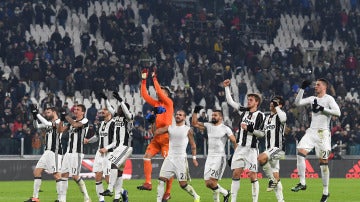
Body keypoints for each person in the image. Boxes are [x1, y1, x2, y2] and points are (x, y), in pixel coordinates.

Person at [291, 79, 341, 202]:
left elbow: (338, 112)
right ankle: (302, 183)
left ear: (324, 87)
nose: (315, 86)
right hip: (312, 131)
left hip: (323, 134)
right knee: (300, 153)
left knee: (323, 163)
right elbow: (297, 103)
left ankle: (325, 191)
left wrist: (322, 109)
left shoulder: (329, 99)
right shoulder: (313, 98)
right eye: (315, 85)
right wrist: (302, 89)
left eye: (318, 85)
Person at [223, 79, 265, 202]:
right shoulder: (244, 110)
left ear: (256, 102)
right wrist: (226, 87)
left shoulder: (261, 115)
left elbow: (261, 134)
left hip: (251, 149)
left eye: (251, 99)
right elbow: (230, 101)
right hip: (240, 147)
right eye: (248, 99)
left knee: (252, 175)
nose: (248, 101)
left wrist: (249, 129)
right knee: (236, 173)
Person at [138, 67, 174, 201]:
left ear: (167, 94)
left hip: (166, 138)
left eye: (163, 92)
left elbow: (157, 90)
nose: (160, 93)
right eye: (160, 92)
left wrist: (154, 78)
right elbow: (145, 95)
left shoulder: (169, 103)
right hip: (156, 138)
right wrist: (143, 80)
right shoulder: (157, 104)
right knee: (146, 157)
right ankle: (148, 183)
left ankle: (168, 192)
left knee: (168, 166)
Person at [191, 106, 237, 202]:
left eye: (215, 115)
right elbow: (194, 123)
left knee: (213, 182)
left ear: (221, 117)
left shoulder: (225, 129)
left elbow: (234, 141)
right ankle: (225, 193)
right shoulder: (208, 125)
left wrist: (235, 155)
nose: (213, 117)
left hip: (219, 158)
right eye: (212, 115)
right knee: (208, 184)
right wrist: (195, 111)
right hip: (210, 157)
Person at [155, 110, 200, 202]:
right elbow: (156, 132)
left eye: (180, 115)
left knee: (183, 184)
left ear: (184, 117)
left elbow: (193, 145)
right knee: (161, 180)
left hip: (181, 159)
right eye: (177, 114)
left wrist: (194, 158)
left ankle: (196, 196)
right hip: (170, 158)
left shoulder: (188, 129)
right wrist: (154, 121)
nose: (178, 116)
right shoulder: (170, 127)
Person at [24, 104, 63, 202]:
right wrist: (34, 116)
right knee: (37, 172)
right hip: (47, 152)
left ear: (54, 112)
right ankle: (35, 198)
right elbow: (36, 125)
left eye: (48, 112)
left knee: (57, 175)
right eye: (45, 113)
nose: (47, 114)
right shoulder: (49, 123)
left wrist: (36, 113)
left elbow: (45, 122)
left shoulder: (59, 122)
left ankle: (60, 199)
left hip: (55, 151)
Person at [100, 91, 132, 202]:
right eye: (118, 108)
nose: (118, 110)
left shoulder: (129, 118)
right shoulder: (117, 118)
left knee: (113, 164)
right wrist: (106, 99)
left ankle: (109, 189)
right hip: (118, 148)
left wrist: (121, 100)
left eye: (120, 108)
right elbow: (110, 108)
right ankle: (117, 197)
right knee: (118, 173)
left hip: (125, 147)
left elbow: (127, 113)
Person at [255, 96, 286, 202]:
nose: (272, 103)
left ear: (280, 105)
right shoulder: (267, 118)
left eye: (275, 102)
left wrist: (278, 107)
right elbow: (261, 133)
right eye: (272, 101)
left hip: (278, 148)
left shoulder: (281, 115)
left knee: (260, 159)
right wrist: (251, 130)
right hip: (270, 149)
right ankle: (281, 200)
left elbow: (283, 119)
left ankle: (272, 180)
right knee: (276, 175)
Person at [58, 104, 91, 202]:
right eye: (75, 109)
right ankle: (62, 199)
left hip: (77, 152)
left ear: (83, 112)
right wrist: (61, 119)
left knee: (75, 176)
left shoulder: (85, 121)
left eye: (78, 109)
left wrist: (66, 116)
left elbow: (76, 125)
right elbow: (60, 130)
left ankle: (86, 197)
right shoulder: (72, 121)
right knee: (63, 175)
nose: (75, 111)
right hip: (68, 152)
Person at [88, 106, 116, 202]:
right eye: (102, 110)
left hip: (110, 154)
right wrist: (88, 140)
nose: (103, 111)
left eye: (105, 110)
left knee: (108, 180)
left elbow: (117, 141)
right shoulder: (100, 124)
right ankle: (101, 200)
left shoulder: (114, 124)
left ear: (110, 112)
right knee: (98, 177)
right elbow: (97, 137)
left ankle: (122, 193)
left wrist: (107, 148)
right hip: (99, 153)